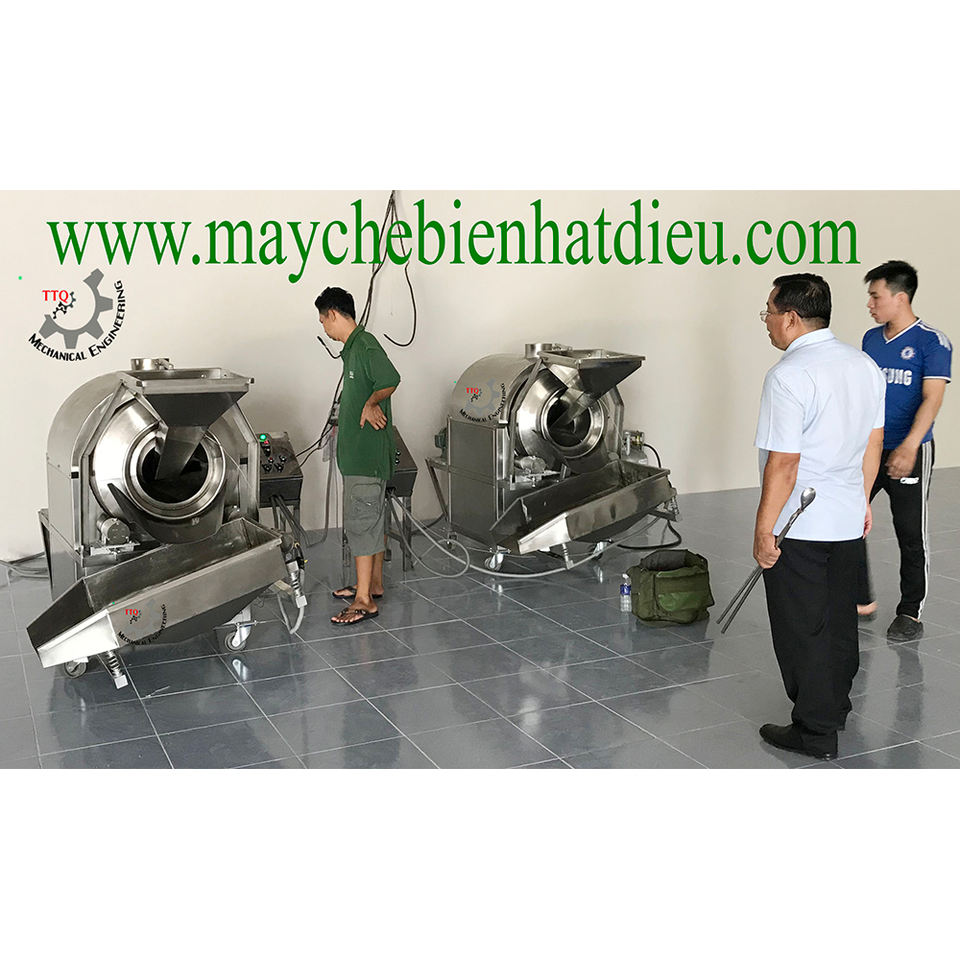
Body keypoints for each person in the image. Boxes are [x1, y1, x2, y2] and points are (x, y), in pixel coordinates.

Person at [753, 273, 885, 761]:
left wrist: (764, 529)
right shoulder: (864, 365)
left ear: (790, 317)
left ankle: (814, 730)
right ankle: (835, 707)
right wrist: (862, 499)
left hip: (800, 525)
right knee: (838, 621)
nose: (766, 322)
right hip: (846, 519)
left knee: (801, 626)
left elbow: (784, 463)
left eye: (769, 312)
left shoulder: (788, 375)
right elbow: (873, 442)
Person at [856, 261, 952, 642]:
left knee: (910, 533)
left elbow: (932, 398)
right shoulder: (870, 340)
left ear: (900, 297)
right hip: (871, 448)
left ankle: (910, 612)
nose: (869, 304)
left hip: (910, 450)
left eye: (875, 296)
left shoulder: (932, 342)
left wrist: (909, 446)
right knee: (850, 517)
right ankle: (860, 598)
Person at [315, 286, 401, 626]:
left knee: (362, 523)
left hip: (366, 458)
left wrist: (370, 403)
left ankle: (364, 600)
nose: (324, 327)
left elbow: (390, 379)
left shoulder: (365, 344)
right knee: (371, 521)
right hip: (358, 456)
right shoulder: (351, 350)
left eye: (323, 320)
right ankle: (373, 584)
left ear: (334, 315)